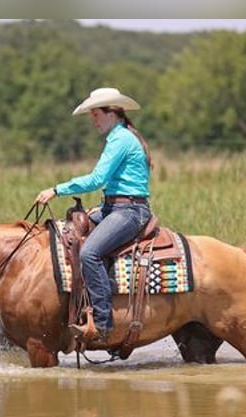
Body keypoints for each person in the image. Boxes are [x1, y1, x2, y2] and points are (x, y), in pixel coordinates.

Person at [35, 87, 153, 343]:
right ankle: (77, 303)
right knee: (68, 232)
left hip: (130, 211)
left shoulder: (120, 140)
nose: (93, 120)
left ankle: (102, 323)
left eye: (96, 113)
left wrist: (57, 190)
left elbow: (97, 179)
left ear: (112, 112)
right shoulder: (119, 137)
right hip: (115, 207)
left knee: (90, 253)